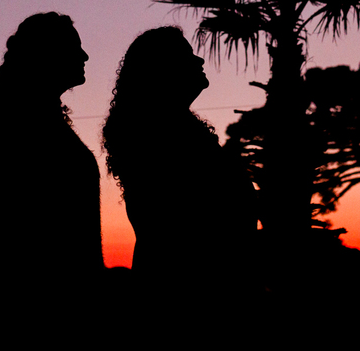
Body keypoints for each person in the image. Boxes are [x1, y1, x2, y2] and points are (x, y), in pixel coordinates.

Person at [102, 26, 258, 296]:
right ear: (163, 71)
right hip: (189, 288)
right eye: (187, 56)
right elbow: (185, 224)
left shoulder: (180, 129)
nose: (199, 61)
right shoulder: (156, 135)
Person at [0, 12, 103, 291]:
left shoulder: (38, 120)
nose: (84, 56)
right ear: (47, 54)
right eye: (74, 47)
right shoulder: (24, 126)